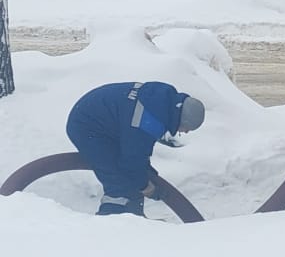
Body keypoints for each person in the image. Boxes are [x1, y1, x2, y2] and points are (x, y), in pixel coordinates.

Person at [66, 82, 205, 216]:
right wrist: (146, 187)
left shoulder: (159, 104)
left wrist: (147, 175)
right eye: (187, 128)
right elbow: (132, 159)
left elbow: (138, 151)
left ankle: (135, 220)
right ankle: (111, 222)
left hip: (105, 124)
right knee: (119, 182)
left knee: (132, 176)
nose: (186, 132)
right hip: (86, 127)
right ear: (181, 119)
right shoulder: (149, 121)